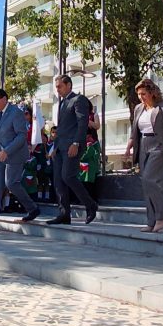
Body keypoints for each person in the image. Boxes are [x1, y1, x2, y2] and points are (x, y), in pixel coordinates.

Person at [0, 88, 40, 234]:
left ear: (5, 99)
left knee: (11, 183)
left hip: (15, 154)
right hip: (1, 155)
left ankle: (32, 208)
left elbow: (21, 136)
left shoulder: (16, 113)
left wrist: (7, 150)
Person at [124, 78, 163, 233]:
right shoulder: (138, 109)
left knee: (149, 179)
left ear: (152, 92)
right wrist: (129, 148)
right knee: (145, 184)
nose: (141, 97)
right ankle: (151, 221)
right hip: (142, 145)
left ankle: (161, 216)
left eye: (143, 93)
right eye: (139, 94)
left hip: (158, 145)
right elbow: (134, 131)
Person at [47, 75, 100, 225]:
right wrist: (54, 147)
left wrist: (76, 143)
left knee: (68, 176)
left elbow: (82, 123)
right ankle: (64, 214)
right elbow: (62, 128)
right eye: (56, 87)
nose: (57, 89)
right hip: (59, 147)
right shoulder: (62, 103)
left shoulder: (79, 100)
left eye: (60, 86)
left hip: (72, 146)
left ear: (68, 85)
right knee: (58, 181)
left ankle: (91, 205)